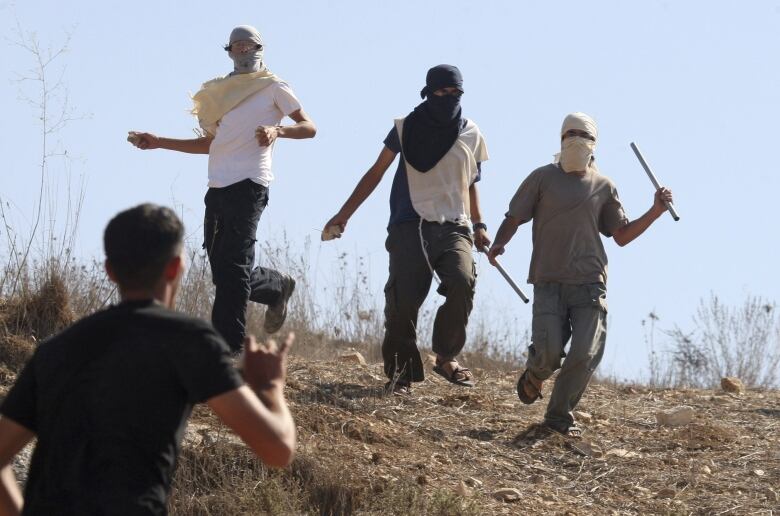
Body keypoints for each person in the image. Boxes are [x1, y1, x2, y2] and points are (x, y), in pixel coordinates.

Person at [0, 204, 296, 514]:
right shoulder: (188, 341)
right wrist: (271, 388)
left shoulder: (54, 350)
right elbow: (277, 449)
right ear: (176, 267)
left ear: (110, 271)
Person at [129, 25, 316, 351]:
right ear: (229, 52)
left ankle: (226, 351)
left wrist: (277, 131)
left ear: (260, 48)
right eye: (237, 47)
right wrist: (159, 142)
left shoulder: (274, 87)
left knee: (232, 270)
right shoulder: (219, 93)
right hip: (217, 186)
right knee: (223, 269)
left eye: (248, 46)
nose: (243, 52)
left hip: (251, 184)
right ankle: (276, 287)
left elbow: (308, 127)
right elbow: (211, 145)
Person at [488, 112, 674, 436]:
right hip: (548, 281)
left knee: (585, 353)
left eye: (582, 134)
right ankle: (535, 375)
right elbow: (514, 217)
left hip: (589, 284)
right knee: (548, 353)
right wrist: (499, 244)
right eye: (569, 133)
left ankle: (559, 417)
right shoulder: (542, 178)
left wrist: (656, 211)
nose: (575, 139)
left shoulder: (604, 186)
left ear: (593, 143)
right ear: (560, 139)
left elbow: (621, 235)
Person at [324, 65, 491, 395]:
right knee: (403, 302)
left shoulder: (471, 133)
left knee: (462, 280)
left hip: (454, 225)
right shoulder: (406, 128)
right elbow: (377, 171)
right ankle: (401, 374)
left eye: (455, 93)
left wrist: (480, 224)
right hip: (409, 223)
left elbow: (471, 182)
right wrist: (344, 214)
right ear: (428, 93)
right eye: (441, 92)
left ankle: (445, 357)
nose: (448, 98)